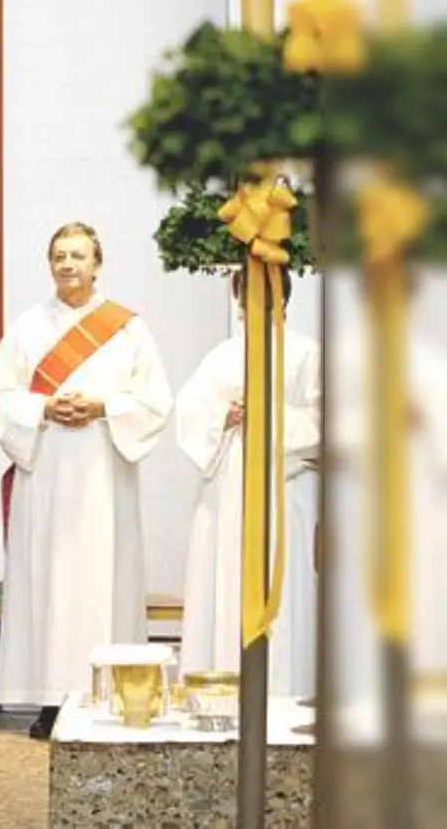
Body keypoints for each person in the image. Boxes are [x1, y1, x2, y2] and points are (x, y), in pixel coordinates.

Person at [0, 222, 173, 739]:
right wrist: (44, 407)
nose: (67, 264)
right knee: (48, 581)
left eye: (78, 255)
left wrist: (103, 406)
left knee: (103, 579)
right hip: (46, 474)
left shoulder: (128, 329)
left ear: (97, 264)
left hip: (103, 477)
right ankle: (51, 699)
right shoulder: (28, 327)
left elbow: (156, 401)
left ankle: (107, 693)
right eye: (59, 256)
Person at [176, 268, 320, 697]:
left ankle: (285, 691)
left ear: (282, 297)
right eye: (245, 294)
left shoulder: (307, 353)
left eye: (262, 291)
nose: (251, 302)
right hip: (226, 488)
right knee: (223, 585)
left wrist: (270, 411)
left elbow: (322, 420)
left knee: (281, 588)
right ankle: (219, 687)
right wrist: (224, 416)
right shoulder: (221, 356)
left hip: (283, 487)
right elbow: (188, 412)